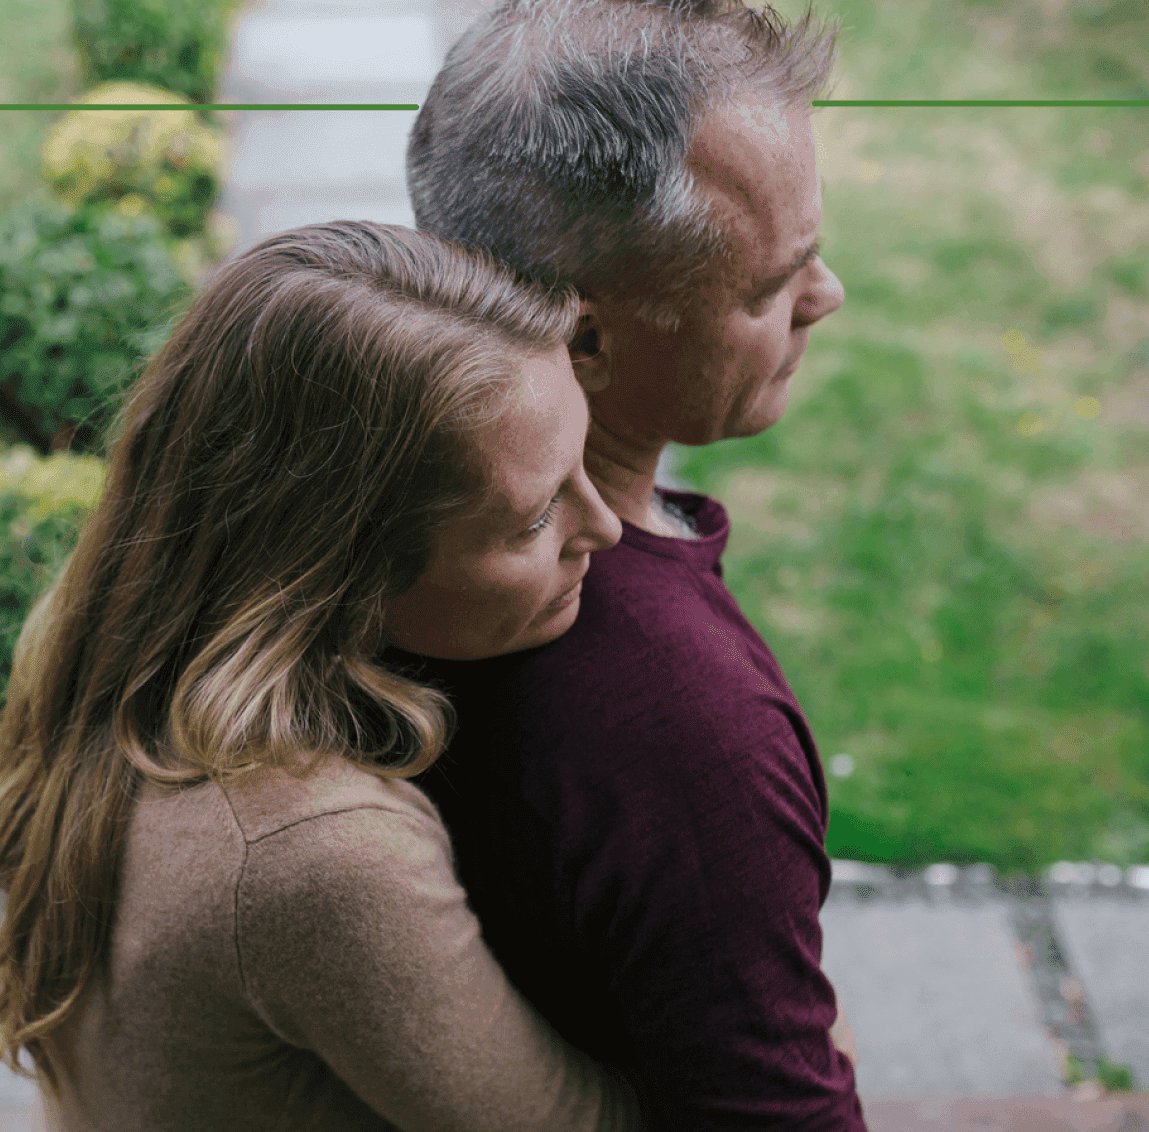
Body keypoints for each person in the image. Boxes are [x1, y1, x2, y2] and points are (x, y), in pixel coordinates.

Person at [0, 219, 645, 1131]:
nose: (604, 529)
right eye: (534, 515)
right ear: (338, 568)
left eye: (583, 468)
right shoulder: (308, 849)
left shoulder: (126, 651)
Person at [394, 0, 860, 1128]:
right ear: (588, 337)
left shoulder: (374, 518)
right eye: (765, 288)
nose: (825, 295)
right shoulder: (680, 722)